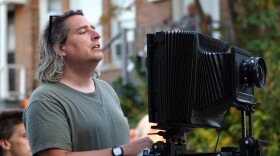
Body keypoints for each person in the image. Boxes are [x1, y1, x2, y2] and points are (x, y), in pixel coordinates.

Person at [23, 9, 153, 156]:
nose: (97, 35)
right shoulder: (45, 99)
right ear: (60, 48)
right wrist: (122, 151)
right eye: (82, 32)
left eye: (94, 30)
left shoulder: (107, 89)